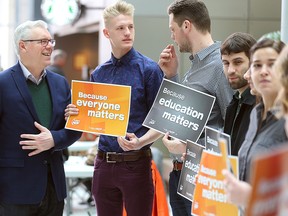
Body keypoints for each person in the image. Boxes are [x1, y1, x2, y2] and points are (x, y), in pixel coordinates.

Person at [66, 1, 164, 215]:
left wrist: (141, 141)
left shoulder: (149, 70)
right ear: (107, 32)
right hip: (103, 163)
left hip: (136, 164)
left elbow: (163, 121)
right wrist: (76, 114)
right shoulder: (99, 74)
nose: (127, 32)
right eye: (120, 28)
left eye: (130, 26)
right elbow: (92, 122)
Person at [158, 0, 234, 215]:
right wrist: (172, 76)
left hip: (203, 176)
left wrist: (190, 151)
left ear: (186, 26)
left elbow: (232, 130)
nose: (172, 36)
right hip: (181, 175)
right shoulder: (195, 65)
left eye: (173, 29)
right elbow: (188, 115)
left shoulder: (219, 66)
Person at [0, 20, 82, 216]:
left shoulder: (61, 83)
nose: (50, 46)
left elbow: (74, 129)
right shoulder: (3, 84)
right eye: (43, 41)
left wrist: (54, 139)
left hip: (54, 189)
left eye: (51, 41)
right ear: (23, 45)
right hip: (14, 191)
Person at [222, 39, 287, 210]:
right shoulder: (255, 115)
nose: (263, 71)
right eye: (257, 65)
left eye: (272, 64)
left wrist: (252, 196)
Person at [221, 32, 257, 156]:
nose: (230, 70)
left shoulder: (261, 106)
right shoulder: (235, 102)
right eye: (226, 63)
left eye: (237, 62)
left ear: (253, 63)